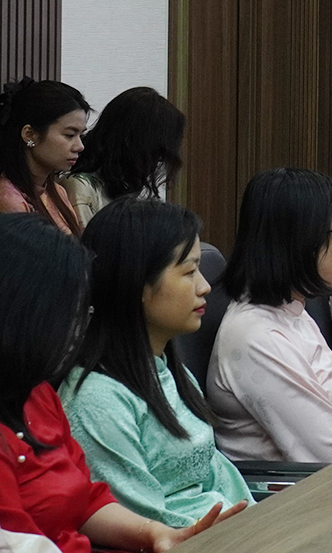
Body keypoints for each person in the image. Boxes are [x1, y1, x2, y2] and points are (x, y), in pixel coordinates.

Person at [0, 214, 243, 552]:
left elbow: (87, 499)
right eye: (68, 314)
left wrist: (153, 533)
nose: (76, 329)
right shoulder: (95, 398)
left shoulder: (39, 398)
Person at [59, 199, 252, 528]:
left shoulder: (170, 371)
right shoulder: (98, 400)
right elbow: (142, 522)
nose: (205, 286)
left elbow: (217, 477)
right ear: (137, 283)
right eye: (189, 272)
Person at [206, 168, 332, 463]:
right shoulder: (255, 337)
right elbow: (331, 452)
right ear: (305, 241)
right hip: (304, 485)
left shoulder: (292, 310)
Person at [62, 87, 184, 227]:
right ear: (133, 142)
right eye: (156, 151)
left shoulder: (125, 186)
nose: (158, 160)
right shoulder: (80, 186)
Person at [0, 80, 88, 235]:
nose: (80, 146)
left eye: (81, 135)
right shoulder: (8, 198)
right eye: (69, 135)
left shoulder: (58, 191)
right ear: (29, 134)